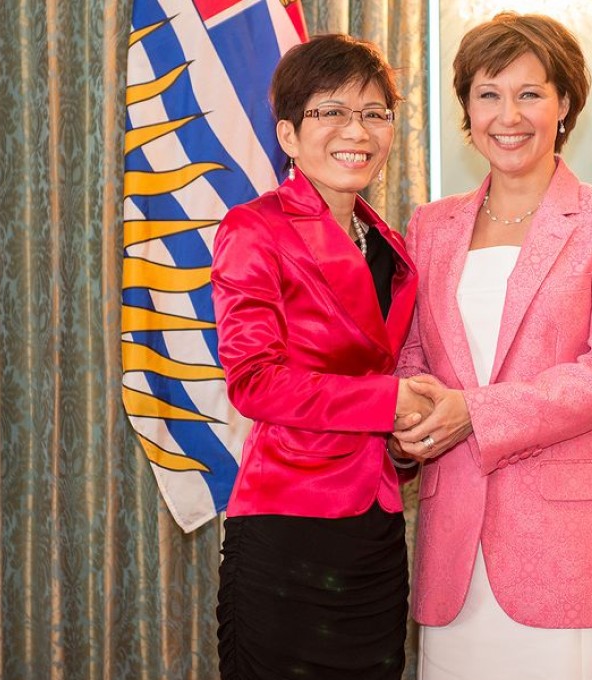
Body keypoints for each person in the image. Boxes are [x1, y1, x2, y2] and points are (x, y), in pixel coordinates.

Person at [391, 12, 592, 680]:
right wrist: (407, 419)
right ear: (467, 109)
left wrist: (473, 413)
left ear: (564, 104)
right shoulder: (429, 225)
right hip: (453, 554)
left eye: (530, 93)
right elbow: (415, 355)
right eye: (488, 94)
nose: (508, 115)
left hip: (572, 556)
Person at [211, 34, 429, 680]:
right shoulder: (253, 229)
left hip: (376, 542)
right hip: (287, 532)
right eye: (329, 111)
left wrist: (402, 440)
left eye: (373, 113)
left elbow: (376, 372)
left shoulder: (390, 244)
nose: (354, 129)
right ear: (287, 134)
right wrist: (388, 402)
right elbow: (254, 382)